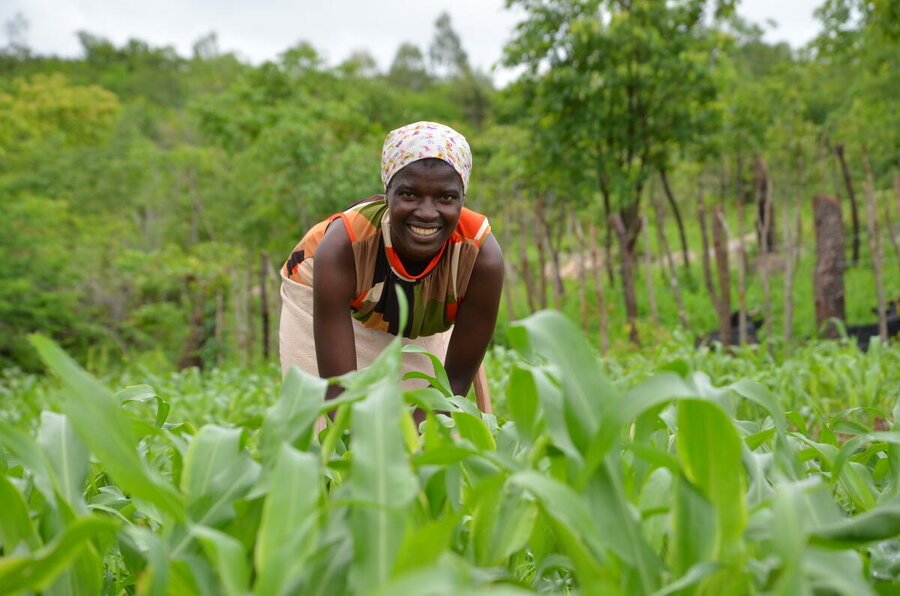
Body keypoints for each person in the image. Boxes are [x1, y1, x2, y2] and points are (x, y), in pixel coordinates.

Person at [278, 121, 504, 421]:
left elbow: (453, 383)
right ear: (387, 193)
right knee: (320, 431)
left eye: (446, 198)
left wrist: (409, 444)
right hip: (319, 291)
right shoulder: (343, 244)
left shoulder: (479, 257)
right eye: (409, 194)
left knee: (423, 429)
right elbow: (337, 390)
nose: (426, 212)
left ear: (463, 198)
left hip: (417, 308)